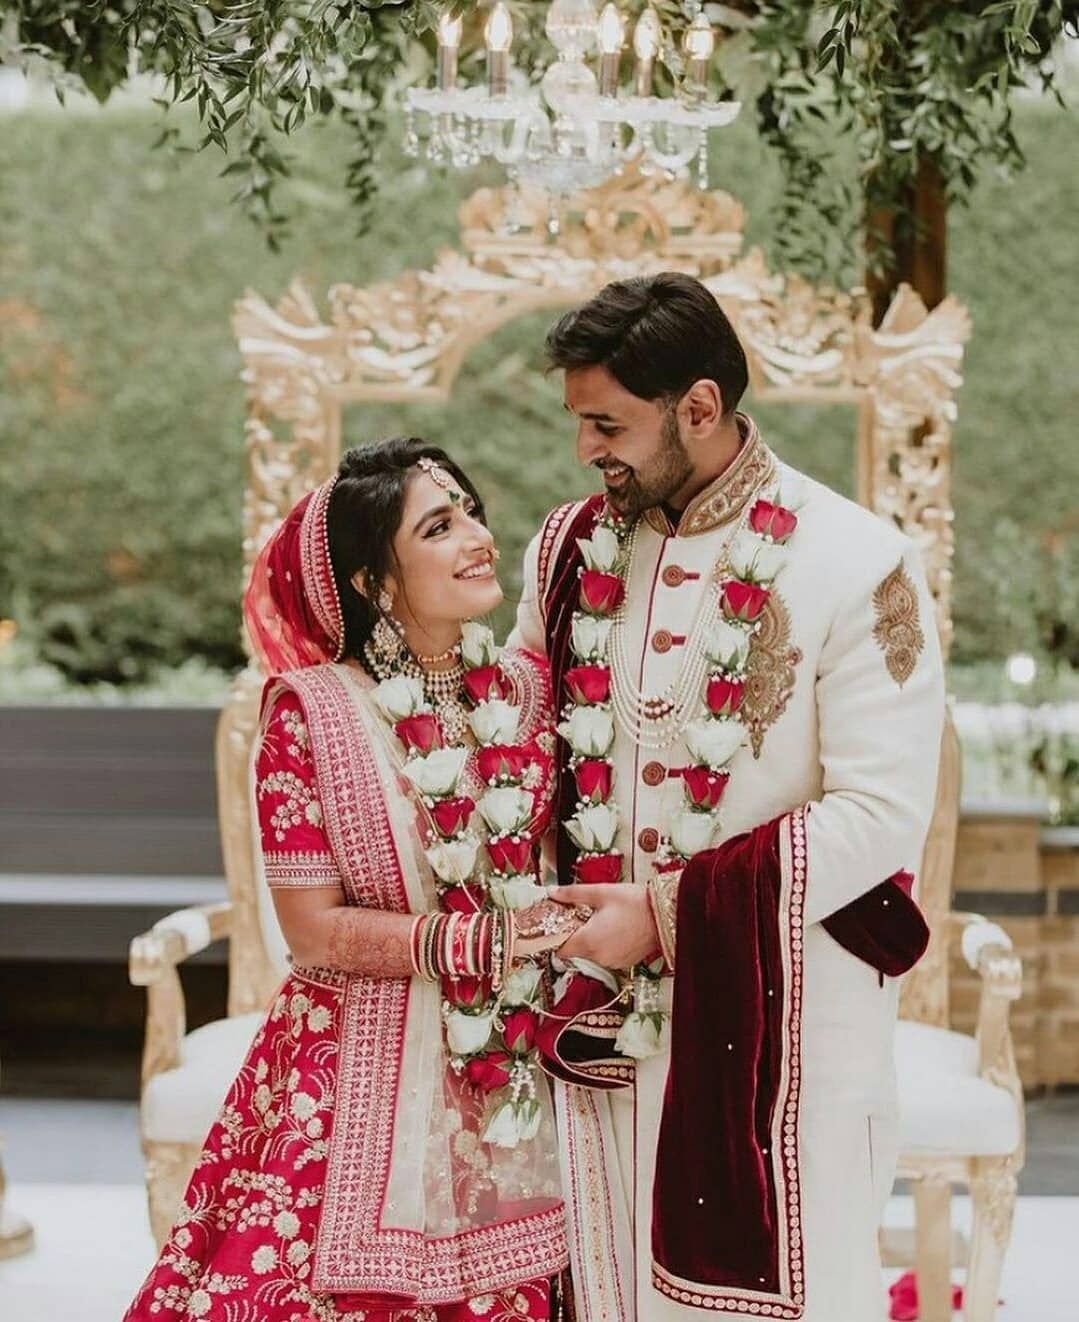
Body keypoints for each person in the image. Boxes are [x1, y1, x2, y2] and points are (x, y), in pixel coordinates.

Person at [512, 274, 946, 1321]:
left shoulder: (858, 563)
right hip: (596, 1018)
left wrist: (662, 912)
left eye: (607, 423)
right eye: (577, 422)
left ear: (696, 408)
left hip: (788, 1020)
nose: (586, 451)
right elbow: (519, 745)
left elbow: (878, 813)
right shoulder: (569, 548)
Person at [125, 437, 583, 1322]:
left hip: (516, 1059)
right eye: (440, 527)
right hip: (353, 1063)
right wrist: (472, 941)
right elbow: (311, 930)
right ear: (375, 583)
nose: (477, 538)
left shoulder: (526, 696)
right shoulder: (312, 713)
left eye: (471, 513)